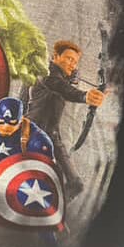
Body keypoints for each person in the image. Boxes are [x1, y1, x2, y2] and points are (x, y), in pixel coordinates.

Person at [25, 40, 106, 195]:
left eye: (75, 62)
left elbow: (63, 86)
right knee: (32, 182)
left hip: (52, 136)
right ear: (55, 56)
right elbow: (61, 87)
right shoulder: (46, 73)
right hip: (34, 134)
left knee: (75, 185)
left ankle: (55, 206)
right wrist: (85, 96)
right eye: (69, 59)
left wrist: (72, 80)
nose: (73, 64)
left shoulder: (61, 78)